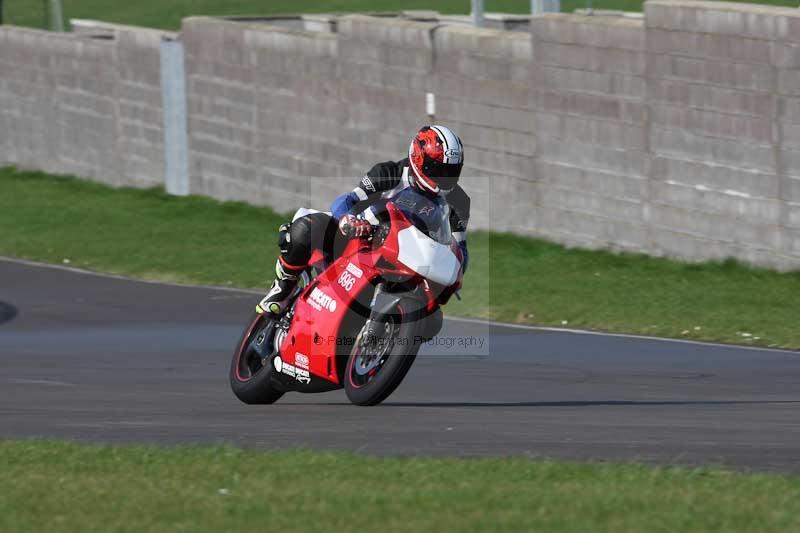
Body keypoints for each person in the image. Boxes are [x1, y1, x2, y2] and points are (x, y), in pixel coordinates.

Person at [259, 125, 471, 315]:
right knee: (306, 229)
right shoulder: (390, 173)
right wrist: (347, 220)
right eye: (438, 169)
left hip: (406, 261)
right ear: (418, 159)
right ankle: (283, 288)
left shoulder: (459, 202)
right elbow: (347, 200)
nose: (445, 177)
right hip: (359, 241)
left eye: (452, 171)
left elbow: (460, 249)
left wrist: (454, 275)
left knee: (432, 318)